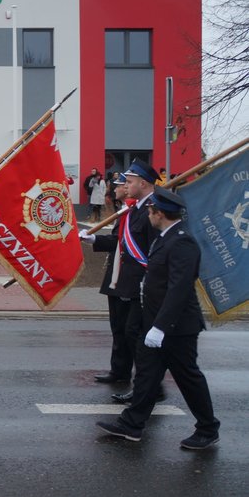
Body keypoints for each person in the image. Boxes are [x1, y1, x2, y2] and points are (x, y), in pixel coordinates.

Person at [96, 187, 220, 450]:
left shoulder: (182, 242)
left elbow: (179, 289)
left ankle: (208, 428)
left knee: (188, 377)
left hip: (177, 328)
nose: (148, 215)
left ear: (159, 213)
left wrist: (161, 327)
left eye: (151, 211)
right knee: (147, 375)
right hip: (154, 323)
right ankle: (131, 424)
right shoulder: (166, 238)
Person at [80, 158, 161, 403]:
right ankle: (125, 373)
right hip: (120, 277)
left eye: (129, 181)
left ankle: (149, 385)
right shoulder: (133, 210)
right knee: (122, 330)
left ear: (143, 183)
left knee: (134, 334)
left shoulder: (152, 211)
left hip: (139, 282)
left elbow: (154, 250)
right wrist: (94, 240)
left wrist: (150, 283)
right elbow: (120, 241)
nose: (124, 185)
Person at [88, 174, 134, 385]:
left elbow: (122, 243)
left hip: (126, 278)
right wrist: (94, 239)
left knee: (128, 330)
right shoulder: (124, 211)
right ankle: (119, 371)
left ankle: (145, 379)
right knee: (117, 328)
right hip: (115, 276)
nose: (114, 189)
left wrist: (95, 239)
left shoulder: (134, 212)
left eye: (119, 185)